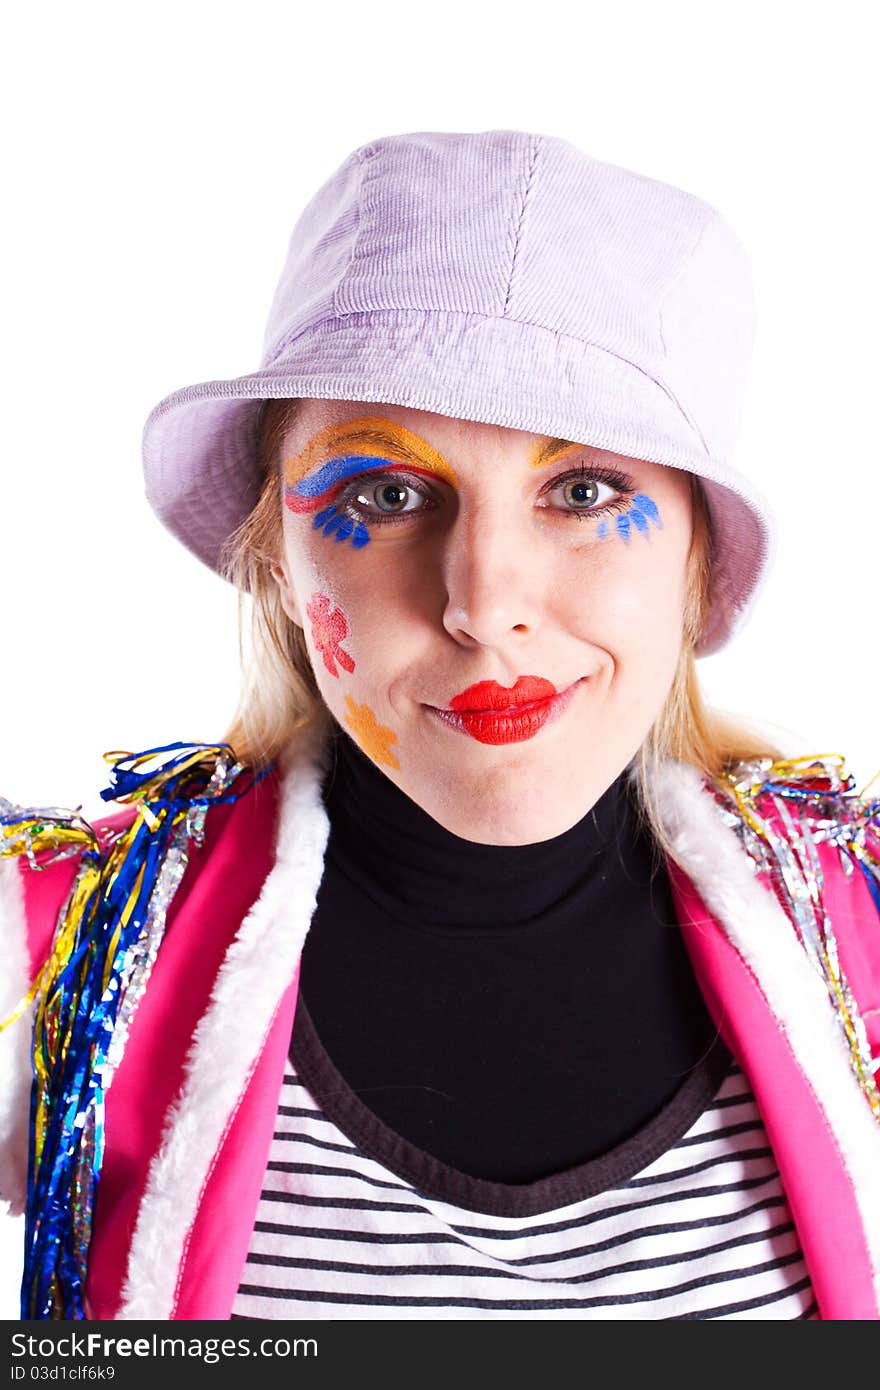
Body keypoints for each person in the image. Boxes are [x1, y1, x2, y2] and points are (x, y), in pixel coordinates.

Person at [1, 129, 878, 1323]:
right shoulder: (57, 950)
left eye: (582, 491)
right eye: (386, 493)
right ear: (275, 553)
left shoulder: (862, 929)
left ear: (698, 556)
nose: (481, 606)